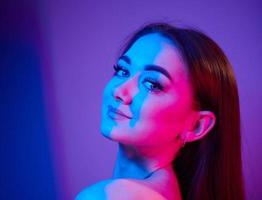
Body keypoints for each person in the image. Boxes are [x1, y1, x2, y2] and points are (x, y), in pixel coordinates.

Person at [76, 23, 245, 200]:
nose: (119, 91)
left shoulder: (112, 195)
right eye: (122, 71)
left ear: (196, 126)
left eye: (152, 84)